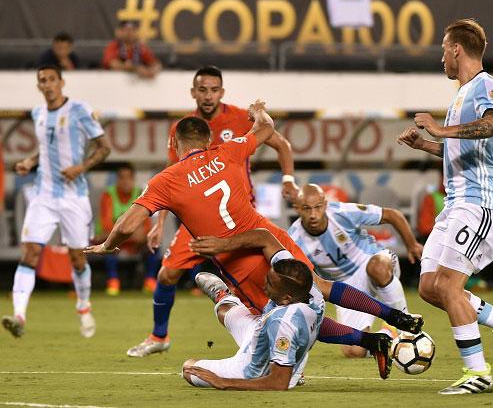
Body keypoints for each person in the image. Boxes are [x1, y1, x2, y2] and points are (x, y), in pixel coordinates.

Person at [86, 107, 423, 378]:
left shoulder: (167, 179)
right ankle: (393, 317)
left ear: (175, 144)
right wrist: (259, 112)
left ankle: (364, 341)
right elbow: (266, 127)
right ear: (207, 139)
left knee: (292, 314)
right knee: (317, 287)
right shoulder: (228, 151)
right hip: (270, 236)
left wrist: (107, 245)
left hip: (240, 261)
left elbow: (128, 224)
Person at [127, 66, 300, 357]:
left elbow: (281, 144)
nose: (208, 95)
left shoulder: (237, 118)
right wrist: (159, 224)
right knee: (167, 274)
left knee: (258, 285)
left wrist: (288, 179)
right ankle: (159, 337)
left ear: (222, 91)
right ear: (193, 92)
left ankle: (278, 346)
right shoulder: (183, 129)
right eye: (202, 90)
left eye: (214, 89)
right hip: (199, 222)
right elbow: (172, 178)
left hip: (239, 217)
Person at [397, 19, 493, 395]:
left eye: (443, 50)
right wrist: (427, 145)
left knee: (450, 286)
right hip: (456, 205)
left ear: (456, 49)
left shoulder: (484, 84)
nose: (441, 58)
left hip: (479, 205)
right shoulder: (461, 93)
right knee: (428, 287)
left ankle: (477, 373)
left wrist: (439, 129)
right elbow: (463, 147)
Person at [1, 65, 111, 339]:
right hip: (43, 196)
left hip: (74, 197)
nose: (47, 85)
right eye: (42, 81)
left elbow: (104, 147)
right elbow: (45, 148)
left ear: (61, 82)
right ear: (38, 86)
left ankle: (83, 305)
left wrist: (80, 168)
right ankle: (19, 315)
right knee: (29, 252)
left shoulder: (79, 110)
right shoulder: (38, 114)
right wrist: (30, 161)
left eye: (52, 79)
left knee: (77, 259)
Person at [288, 184, 423, 358]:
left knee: (378, 268)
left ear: (325, 204)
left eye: (318, 207)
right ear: (297, 209)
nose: (313, 214)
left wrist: (411, 244)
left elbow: (392, 214)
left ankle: (404, 327)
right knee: (354, 352)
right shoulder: (294, 239)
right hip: (346, 288)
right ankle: (386, 338)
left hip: (374, 260)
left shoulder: (342, 213)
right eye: (306, 209)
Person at [182, 240, 322, 390]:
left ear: (286, 298)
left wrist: (223, 382)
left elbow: (278, 383)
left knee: (188, 368)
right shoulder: (312, 293)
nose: (264, 285)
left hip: (252, 372)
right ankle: (223, 297)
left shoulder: (283, 322)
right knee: (226, 311)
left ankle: (286, 364)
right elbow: (264, 236)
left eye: (270, 284)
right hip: (261, 333)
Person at [94, 162, 161, 295]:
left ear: (133, 179)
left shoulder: (141, 194)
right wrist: (129, 231)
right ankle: (113, 281)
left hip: (135, 241)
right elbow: (107, 225)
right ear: (117, 180)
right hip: (114, 239)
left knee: (154, 243)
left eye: (128, 177)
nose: (125, 181)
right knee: (108, 243)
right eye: (122, 178)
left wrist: (139, 234)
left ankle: (150, 281)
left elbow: (146, 226)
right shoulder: (109, 195)